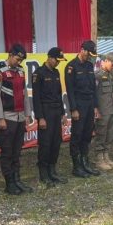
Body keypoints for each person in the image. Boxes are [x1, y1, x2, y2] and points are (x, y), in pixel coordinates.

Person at [0, 44, 33, 195]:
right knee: (7, 151)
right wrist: (0, 118)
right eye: (17, 59)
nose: (19, 62)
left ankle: (17, 180)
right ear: (10, 55)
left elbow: (24, 94)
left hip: (20, 116)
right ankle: (9, 183)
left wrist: (27, 114)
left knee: (17, 151)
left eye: (21, 60)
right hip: (7, 117)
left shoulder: (21, 71)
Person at [32, 47, 68, 187]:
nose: (58, 63)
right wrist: (40, 117)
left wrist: (63, 113)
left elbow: (59, 94)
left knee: (56, 142)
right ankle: (43, 172)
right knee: (45, 143)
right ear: (49, 58)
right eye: (57, 60)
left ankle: (52, 170)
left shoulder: (56, 72)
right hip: (45, 111)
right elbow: (36, 98)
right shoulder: (39, 73)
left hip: (56, 111)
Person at [65, 40, 100, 178]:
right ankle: (76, 165)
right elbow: (70, 90)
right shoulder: (71, 66)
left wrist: (96, 106)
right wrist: (73, 109)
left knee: (87, 134)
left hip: (89, 103)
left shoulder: (89, 65)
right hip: (79, 104)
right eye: (88, 54)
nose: (89, 56)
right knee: (77, 135)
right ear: (82, 50)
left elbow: (93, 88)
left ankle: (85, 162)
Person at [93, 52, 113, 172]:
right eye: (112, 64)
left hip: (110, 109)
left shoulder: (110, 75)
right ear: (105, 61)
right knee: (101, 134)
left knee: (109, 134)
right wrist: (96, 109)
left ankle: (106, 156)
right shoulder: (97, 75)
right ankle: (99, 159)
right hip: (102, 110)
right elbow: (93, 93)